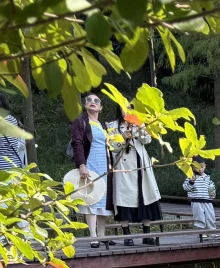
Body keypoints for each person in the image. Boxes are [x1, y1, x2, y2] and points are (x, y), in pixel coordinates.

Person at [110, 114, 162, 245]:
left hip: (141, 164)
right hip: (124, 166)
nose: (127, 110)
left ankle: (147, 234)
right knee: (124, 199)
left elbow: (147, 140)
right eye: (124, 107)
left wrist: (141, 127)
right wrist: (122, 138)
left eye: (130, 108)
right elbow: (112, 147)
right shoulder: (113, 126)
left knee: (145, 196)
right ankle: (127, 235)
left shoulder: (140, 123)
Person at [69, 93, 113, 246]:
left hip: (104, 165)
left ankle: (102, 235)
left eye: (96, 101)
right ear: (85, 105)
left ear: (100, 107)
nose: (92, 102)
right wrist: (81, 165)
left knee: (103, 201)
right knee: (92, 199)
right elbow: (77, 144)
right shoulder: (80, 121)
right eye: (89, 100)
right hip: (90, 163)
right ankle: (93, 236)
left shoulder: (103, 125)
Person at [182, 158, 218, 237]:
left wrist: (212, 194)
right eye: (197, 167)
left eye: (201, 167)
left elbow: (212, 187)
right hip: (196, 201)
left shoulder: (208, 177)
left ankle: (212, 231)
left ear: (205, 166)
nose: (200, 169)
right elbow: (185, 187)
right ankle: (201, 233)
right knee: (199, 217)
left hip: (208, 201)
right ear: (193, 167)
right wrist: (191, 182)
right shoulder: (191, 177)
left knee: (210, 216)